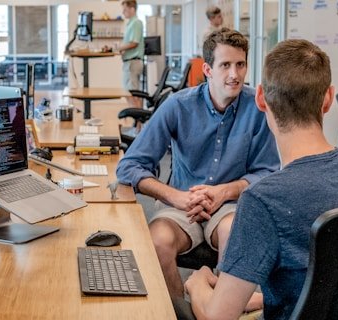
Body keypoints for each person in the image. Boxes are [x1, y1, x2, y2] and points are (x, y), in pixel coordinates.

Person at [184, 39, 338, 320]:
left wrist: (197, 283)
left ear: (261, 98)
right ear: (328, 99)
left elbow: (218, 317)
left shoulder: (264, 199)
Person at [116, 28, 279, 300]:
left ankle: (220, 310)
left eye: (240, 65)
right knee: (157, 242)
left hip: (230, 206)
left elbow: (269, 172)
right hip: (182, 203)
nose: (234, 75)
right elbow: (129, 166)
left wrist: (224, 192)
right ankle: (180, 310)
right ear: (207, 69)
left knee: (234, 235)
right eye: (225, 65)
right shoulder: (178, 106)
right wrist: (175, 197)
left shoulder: (258, 108)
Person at [119, 0, 144, 108]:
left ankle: (139, 124)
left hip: (133, 63)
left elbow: (134, 42)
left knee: (133, 94)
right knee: (129, 93)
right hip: (129, 62)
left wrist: (119, 47)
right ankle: (136, 121)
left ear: (132, 9)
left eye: (125, 9)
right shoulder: (130, 24)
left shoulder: (136, 23)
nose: (123, 12)